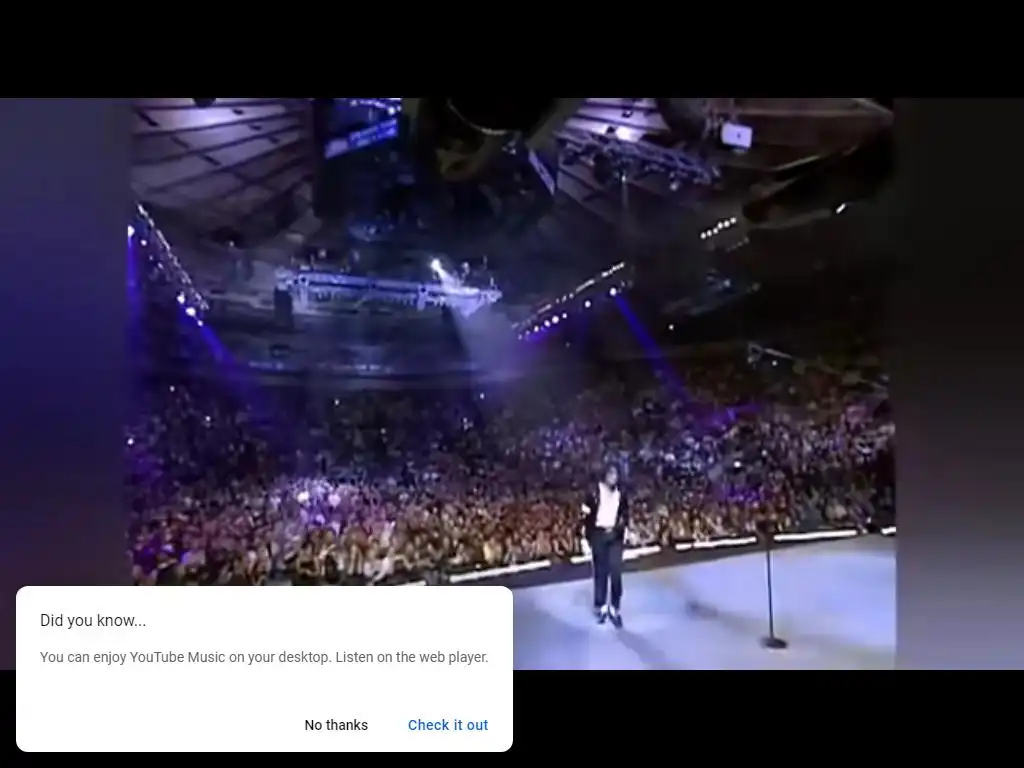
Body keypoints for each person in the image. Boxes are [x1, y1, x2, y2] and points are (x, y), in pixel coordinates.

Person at [581, 464, 630, 628]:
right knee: (600, 572)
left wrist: (625, 529)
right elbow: (585, 516)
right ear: (605, 475)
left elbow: (625, 513)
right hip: (598, 535)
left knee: (616, 572)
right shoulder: (593, 492)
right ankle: (601, 606)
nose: (614, 478)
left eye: (616, 475)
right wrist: (584, 538)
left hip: (615, 535)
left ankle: (615, 608)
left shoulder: (621, 493)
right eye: (611, 474)